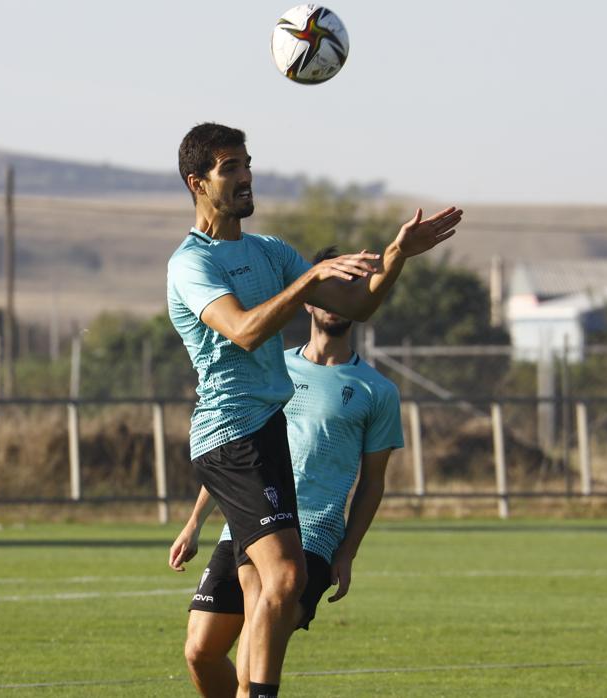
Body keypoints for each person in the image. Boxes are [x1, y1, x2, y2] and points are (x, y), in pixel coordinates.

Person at [167, 122, 460, 698]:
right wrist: (306, 281)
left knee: (263, 591)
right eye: (231, 169)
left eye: (248, 163)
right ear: (197, 183)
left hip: (265, 431)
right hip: (230, 436)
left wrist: (398, 253)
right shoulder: (190, 264)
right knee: (285, 576)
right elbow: (247, 332)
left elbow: (361, 304)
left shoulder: (270, 252)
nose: (247, 176)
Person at [168, 246, 404, 697]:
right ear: (311, 298)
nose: (338, 302)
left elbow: (374, 482)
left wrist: (348, 551)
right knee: (200, 651)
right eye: (333, 290)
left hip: (310, 534)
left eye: (351, 292)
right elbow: (239, 446)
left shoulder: (377, 391)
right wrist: (194, 522)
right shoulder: (274, 369)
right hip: (241, 522)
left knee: (248, 671)